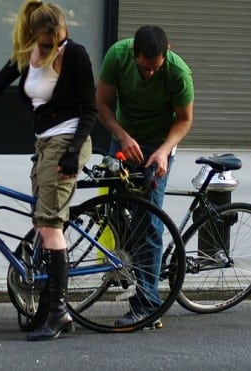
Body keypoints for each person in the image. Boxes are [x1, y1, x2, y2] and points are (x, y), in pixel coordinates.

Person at [0, 0, 97, 341]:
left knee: (50, 226)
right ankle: (45, 308)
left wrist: (71, 153)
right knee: (39, 225)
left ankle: (59, 312)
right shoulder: (27, 55)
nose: (52, 46)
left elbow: (89, 109)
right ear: (34, 34)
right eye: (45, 42)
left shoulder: (75, 54)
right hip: (43, 144)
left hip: (68, 141)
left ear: (62, 30)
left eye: (56, 39)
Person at [96, 25, 194, 327]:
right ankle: (131, 265)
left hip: (159, 145)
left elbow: (185, 120)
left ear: (166, 54)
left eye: (155, 68)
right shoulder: (117, 56)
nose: (149, 73)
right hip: (125, 139)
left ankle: (148, 306)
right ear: (133, 54)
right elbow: (101, 104)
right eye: (143, 68)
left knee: (149, 220)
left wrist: (164, 150)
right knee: (112, 210)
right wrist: (123, 137)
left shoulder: (178, 73)